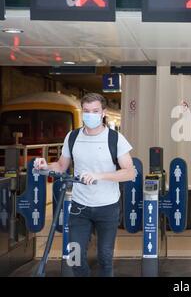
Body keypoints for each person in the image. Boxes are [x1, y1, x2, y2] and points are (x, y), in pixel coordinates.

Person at [34, 93, 136, 277]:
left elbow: (130, 172)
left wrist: (99, 175)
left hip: (107, 206)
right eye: (86, 111)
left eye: (95, 111)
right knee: (75, 258)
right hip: (79, 207)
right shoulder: (72, 137)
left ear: (103, 112)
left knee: (105, 258)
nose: (90, 115)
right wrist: (45, 167)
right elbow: (61, 166)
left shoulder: (115, 139)